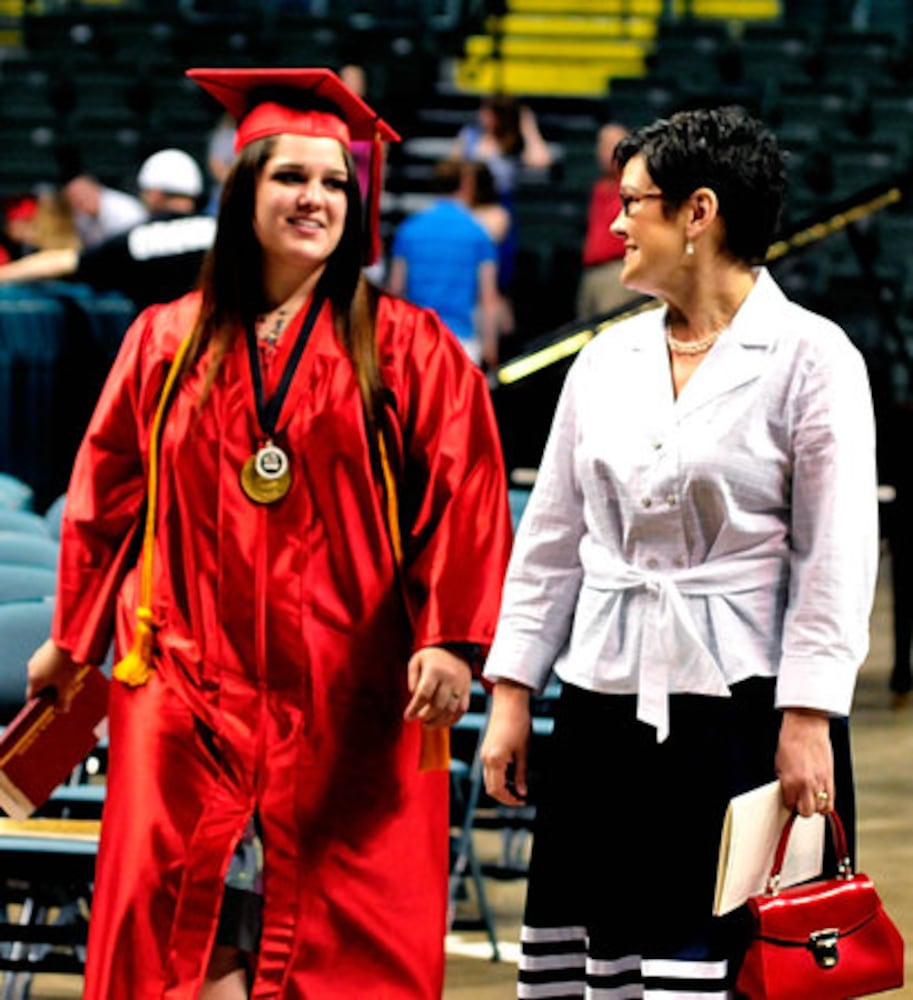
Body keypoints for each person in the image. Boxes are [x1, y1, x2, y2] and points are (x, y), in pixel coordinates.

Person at [25, 67, 512, 1000]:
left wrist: (451, 641)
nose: (315, 199)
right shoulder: (166, 340)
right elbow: (104, 494)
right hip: (183, 677)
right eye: (292, 177)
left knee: (338, 932)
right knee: (174, 918)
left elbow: (467, 496)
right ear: (244, 189)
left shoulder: (409, 348)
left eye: (334, 182)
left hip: (350, 688)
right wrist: (72, 639)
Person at [480, 106, 878, 996]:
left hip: (743, 711)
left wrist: (808, 718)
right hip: (601, 703)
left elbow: (834, 561)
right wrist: (513, 691)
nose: (615, 223)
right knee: (600, 959)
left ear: (698, 213)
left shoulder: (815, 358)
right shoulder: (604, 358)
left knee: (719, 964)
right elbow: (550, 542)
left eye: (634, 203)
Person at [0, 149, 215, 311]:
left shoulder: (137, 240)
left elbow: (63, 262)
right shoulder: (224, 231)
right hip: (227, 350)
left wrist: (5, 273)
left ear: (154, 194)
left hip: (167, 351)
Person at [388, 159, 500, 368]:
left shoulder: (409, 229)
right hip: (461, 344)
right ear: (466, 184)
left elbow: (395, 290)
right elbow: (488, 299)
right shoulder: (478, 233)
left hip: (416, 341)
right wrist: (490, 348)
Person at [576, 121, 637, 320]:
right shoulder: (598, 188)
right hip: (591, 272)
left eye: (612, 144)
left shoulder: (636, 186)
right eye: (602, 144)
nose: (605, 151)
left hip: (617, 272)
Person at [62, 171, 148, 248]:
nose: (79, 202)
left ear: (97, 188)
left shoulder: (123, 210)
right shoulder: (81, 214)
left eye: (83, 195)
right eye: (74, 199)